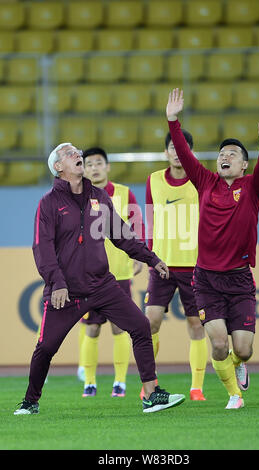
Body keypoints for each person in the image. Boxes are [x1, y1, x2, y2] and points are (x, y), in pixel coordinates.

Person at [14, 142, 185, 415]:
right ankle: (30, 401)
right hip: (67, 291)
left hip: (103, 285)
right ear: (58, 167)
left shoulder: (99, 197)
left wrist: (151, 259)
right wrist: (57, 283)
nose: (78, 155)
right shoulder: (48, 204)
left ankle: (151, 395)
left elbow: (121, 235)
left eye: (77, 152)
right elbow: (42, 248)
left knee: (141, 327)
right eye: (70, 154)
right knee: (45, 347)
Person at [166, 88, 259, 409]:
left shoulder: (251, 189)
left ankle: (240, 363)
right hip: (206, 280)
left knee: (242, 349)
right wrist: (173, 120)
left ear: (244, 164)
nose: (225, 157)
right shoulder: (205, 182)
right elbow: (185, 155)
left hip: (239, 280)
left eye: (232, 154)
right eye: (221, 154)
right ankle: (234, 395)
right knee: (217, 345)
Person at [142, 131, 208, 401]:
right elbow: (148, 218)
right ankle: (149, 381)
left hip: (194, 265)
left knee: (196, 325)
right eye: (172, 148)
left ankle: (196, 388)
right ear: (166, 152)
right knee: (151, 322)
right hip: (162, 265)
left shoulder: (201, 179)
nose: (177, 153)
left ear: (189, 152)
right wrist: (149, 256)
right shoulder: (154, 180)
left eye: (182, 149)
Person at [78, 146, 144, 398]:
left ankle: (120, 382)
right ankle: (90, 383)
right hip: (89, 275)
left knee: (119, 327)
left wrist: (138, 254)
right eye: (89, 164)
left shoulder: (125, 193)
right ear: (83, 169)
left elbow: (136, 225)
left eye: (98, 163)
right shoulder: (78, 195)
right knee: (91, 328)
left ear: (107, 166)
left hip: (119, 273)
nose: (94, 167)